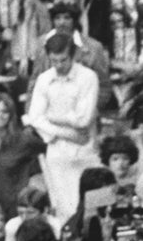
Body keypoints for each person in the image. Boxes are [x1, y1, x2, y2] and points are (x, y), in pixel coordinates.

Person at [26, 32, 100, 224]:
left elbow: (84, 119)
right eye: (54, 61)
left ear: (73, 55)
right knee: (63, 211)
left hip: (84, 153)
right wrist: (68, 133)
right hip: (57, 154)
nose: (59, 66)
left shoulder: (88, 77)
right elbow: (35, 118)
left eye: (63, 60)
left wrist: (52, 117)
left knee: (89, 209)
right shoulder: (44, 79)